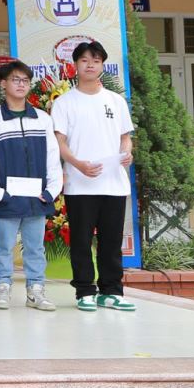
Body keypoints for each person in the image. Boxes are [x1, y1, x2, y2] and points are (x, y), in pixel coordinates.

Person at [52, 40, 137, 313]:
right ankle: (85, 291)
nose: (90, 65)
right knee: (81, 240)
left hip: (113, 183)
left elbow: (125, 137)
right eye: (85, 60)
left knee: (111, 241)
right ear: (75, 65)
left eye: (96, 61)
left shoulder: (116, 101)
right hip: (80, 184)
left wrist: (127, 153)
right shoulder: (64, 102)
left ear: (102, 65)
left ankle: (111, 291)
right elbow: (59, 142)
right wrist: (77, 164)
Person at [0, 60, 62, 313]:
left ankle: (35, 291)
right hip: (6, 196)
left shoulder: (42, 118)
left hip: (37, 198)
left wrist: (51, 190)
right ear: (3, 84)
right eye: (15, 80)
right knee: (3, 246)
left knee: (35, 247)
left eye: (25, 80)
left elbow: (52, 157)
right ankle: (2, 288)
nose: (21, 84)